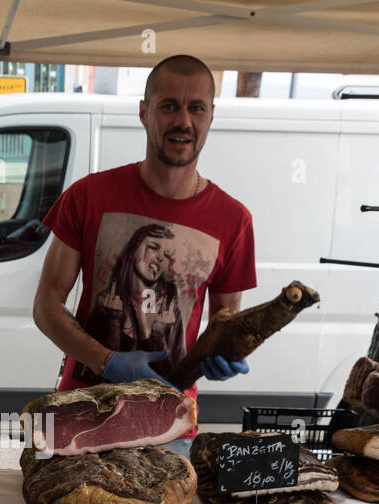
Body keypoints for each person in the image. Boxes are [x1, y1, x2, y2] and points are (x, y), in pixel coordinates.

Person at [33, 54, 257, 450]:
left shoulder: (233, 221)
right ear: (144, 112)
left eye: (196, 108)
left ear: (210, 116)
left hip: (168, 426)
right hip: (79, 414)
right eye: (169, 106)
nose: (183, 121)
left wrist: (222, 356)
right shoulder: (88, 196)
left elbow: (226, 325)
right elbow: (46, 306)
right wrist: (107, 362)